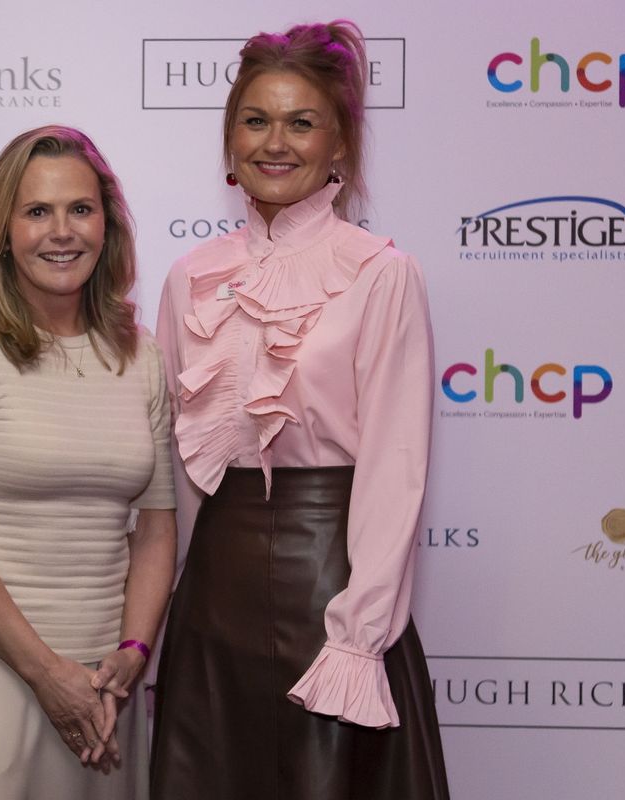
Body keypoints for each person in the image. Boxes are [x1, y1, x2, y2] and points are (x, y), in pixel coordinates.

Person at [150, 21, 450, 800]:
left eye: (302, 122)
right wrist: (170, 602)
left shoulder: (382, 275)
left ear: (339, 143)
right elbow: (180, 467)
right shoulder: (191, 277)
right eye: (256, 120)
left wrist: (359, 635)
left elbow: (396, 468)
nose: (275, 142)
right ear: (231, 139)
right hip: (213, 594)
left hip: (333, 587)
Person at [0, 125, 177, 800]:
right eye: (36, 211)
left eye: (80, 209)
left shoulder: (140, 354)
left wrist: (134, 650)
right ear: (4, 229)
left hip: (106, 687)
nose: (62, 232)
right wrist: (46, 673)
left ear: (108, 225)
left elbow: (156, 530)